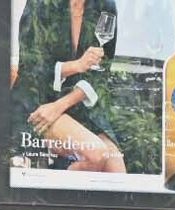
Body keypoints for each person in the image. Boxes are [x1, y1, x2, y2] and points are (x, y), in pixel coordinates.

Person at [13, 0, 125, 173]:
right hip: (38, 100)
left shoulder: (105, 5)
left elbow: (101, 71)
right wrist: (77, 65)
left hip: (75, 103)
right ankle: (56, 196)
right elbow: (29, 68)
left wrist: (61, 105)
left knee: (117, 171)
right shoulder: (40, 4)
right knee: (97, 154)